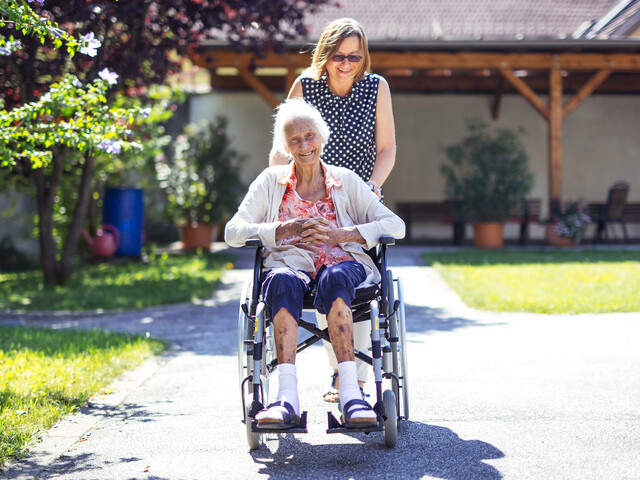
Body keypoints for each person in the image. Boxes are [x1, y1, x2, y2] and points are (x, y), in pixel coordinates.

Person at [226, 98, 404, 428]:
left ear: (321, 137)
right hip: (290, 267)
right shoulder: (270, 181)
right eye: (295, 139)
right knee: (279, 280)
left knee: (334, 277)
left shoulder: (346, 180)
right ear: (286, 146)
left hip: (343, 265)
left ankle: (351, 394)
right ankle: (286, 397)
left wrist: (343, 234)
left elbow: (396, 225)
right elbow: (233, 231)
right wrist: (282, 229)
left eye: (310, 136)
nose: (304, 145)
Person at [269, 17, 397, 402]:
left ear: (364, 57)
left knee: (348, 281)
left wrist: (372, 188)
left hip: (356, 199)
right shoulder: (304, 86)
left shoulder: (376, 87)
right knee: (319, 269)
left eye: (354, 56)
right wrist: (277, 186)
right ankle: (341, 375)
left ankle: (351, 377)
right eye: (338, 55)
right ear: (325, 54)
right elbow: (283, 143)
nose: (346, 63)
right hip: (309, 197)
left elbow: (387, 147)